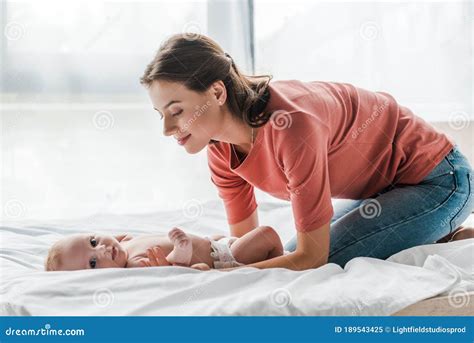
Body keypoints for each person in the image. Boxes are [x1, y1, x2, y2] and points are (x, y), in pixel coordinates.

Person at [140, 33, 474, 270]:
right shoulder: (220, 151)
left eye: (176, 111)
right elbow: (247, 247)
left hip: (440, 181)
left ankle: (438, 221)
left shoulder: (292, 126)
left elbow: (310, 258)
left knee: (317, 260)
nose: (167, 130)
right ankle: (442, 234)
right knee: (287, 256)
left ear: (216, 92)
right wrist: (199, 261)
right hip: (387, 191)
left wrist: (226, 277)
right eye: (160, 115)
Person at [44, 226, 284, 271]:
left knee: (230, 236)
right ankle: (283, 265)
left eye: (93, 242)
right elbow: (170, 268)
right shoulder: (134, 262)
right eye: (93, 263)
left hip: (215, 242)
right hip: (225, 258)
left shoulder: (123, 243)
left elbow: (115, 239)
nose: (103, 250)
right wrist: (181, 251)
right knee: (267, 235)